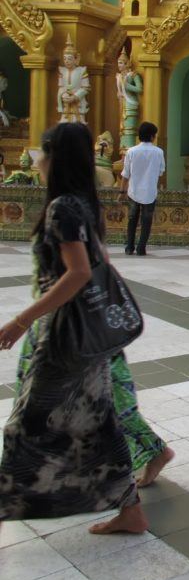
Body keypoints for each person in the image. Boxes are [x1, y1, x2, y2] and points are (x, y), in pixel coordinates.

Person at [0, 123, 152, 535]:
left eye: (43, 154)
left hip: (66, 337)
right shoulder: (84, 203)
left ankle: (13, 500)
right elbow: (98, 261)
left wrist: (21, 320)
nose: (39, 162)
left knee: (28, 423)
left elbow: (80, 272)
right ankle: (130, 510)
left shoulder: (63, 207)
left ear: (55, 157)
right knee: (97, 421)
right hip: (85, 337)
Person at [119, 121, 164, 256]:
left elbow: (126, 174)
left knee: (132, 219)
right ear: (152, 136)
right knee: (147, 220)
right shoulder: (158, 152)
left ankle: (129, 247)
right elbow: (161, 171)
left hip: (133, 191)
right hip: (150, 191)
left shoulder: (131, 151)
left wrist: (121, 191)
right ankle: (141, 248)